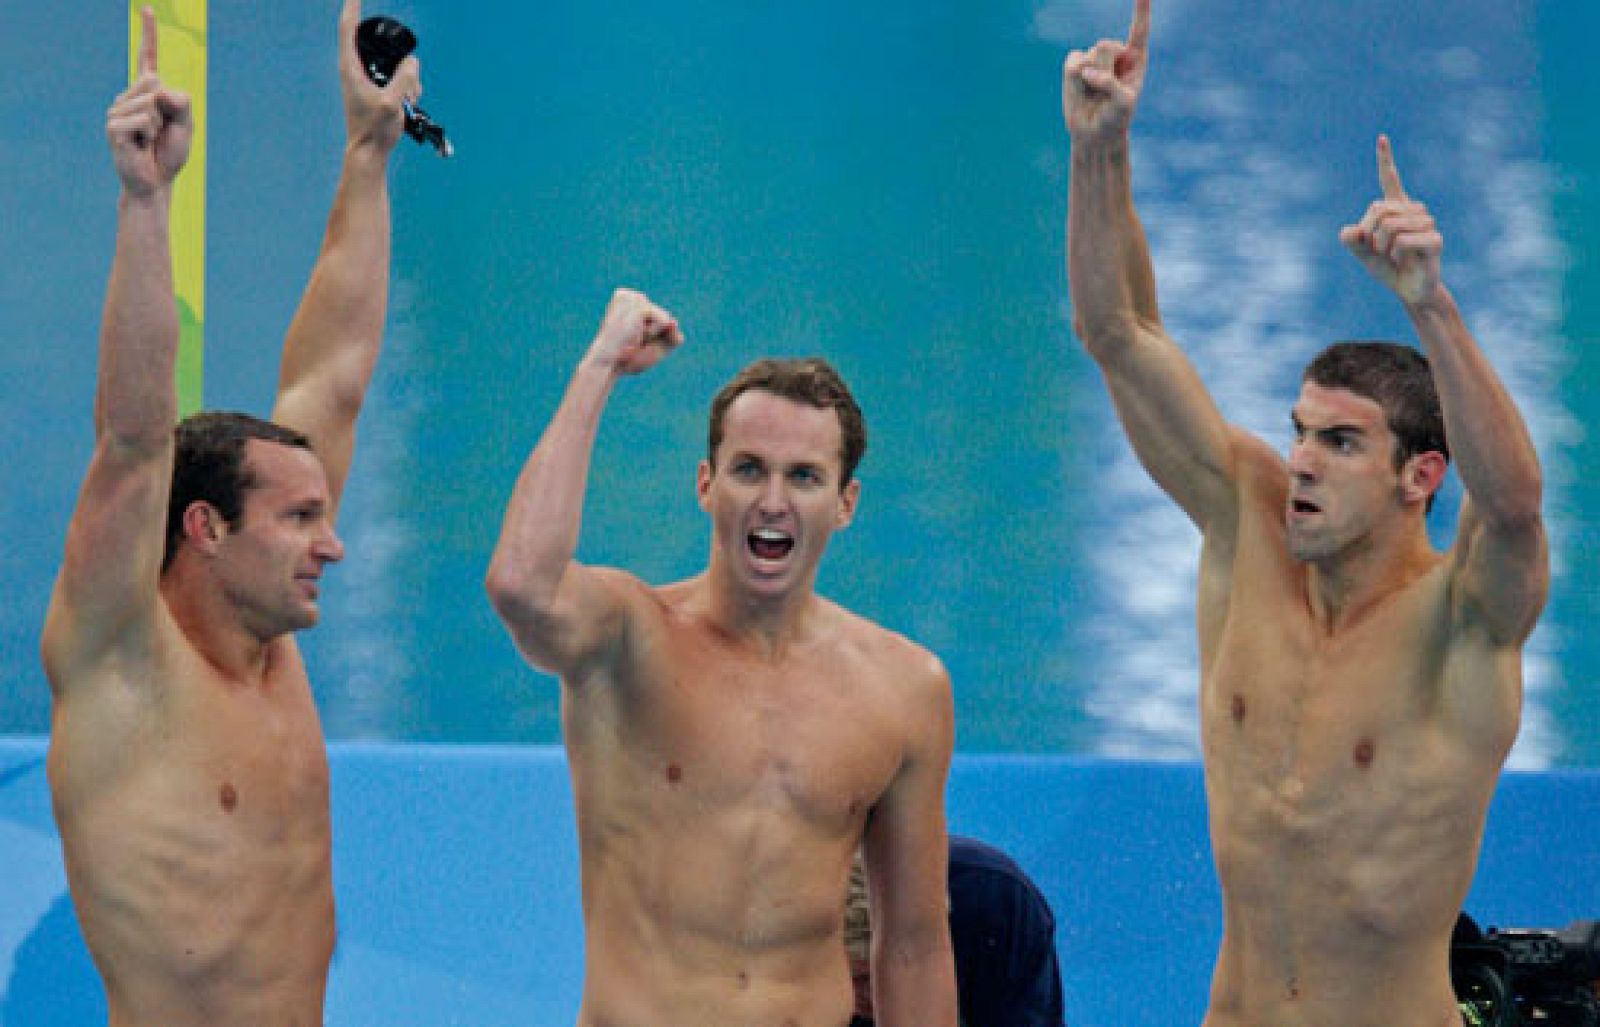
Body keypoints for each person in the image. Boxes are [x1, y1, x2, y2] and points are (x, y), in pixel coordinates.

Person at [1061, 2, 1548, 1024]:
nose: (1298, 465)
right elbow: (1120, 331)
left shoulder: (1460, 619)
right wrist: (1100, 151)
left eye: (1338, 442)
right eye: (1297, 432)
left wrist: (1428, 302)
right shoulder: (1244, 535)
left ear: (1420, 476)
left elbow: (1511, 509)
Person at [39, 3, 415, 1023]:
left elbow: (335, 376)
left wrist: (370, 156)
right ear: (204, 528)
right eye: (298, 521)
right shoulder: (122, 662)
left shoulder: (269, 649)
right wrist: (144, 201)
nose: (330, 543)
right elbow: (131, 438)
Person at [486, 289, 958, 1024]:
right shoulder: (627, 638)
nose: (773, 500)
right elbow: (521, 583)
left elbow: (915, 945)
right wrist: (600, 365)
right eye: (748, 469)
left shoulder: (904, 688)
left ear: (845, 502)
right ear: (706, 484)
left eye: (803, 476)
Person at [845, 835, 1066, 1026]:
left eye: (870, 978)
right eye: (854, 979)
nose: (873, 996)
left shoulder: (995, 901)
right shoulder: (814, 942)